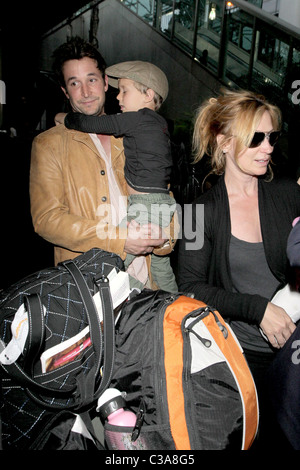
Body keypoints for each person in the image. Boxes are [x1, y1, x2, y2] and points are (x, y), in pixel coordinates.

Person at [177, 88, 300, 449]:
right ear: (224, 142)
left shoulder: (287, 195)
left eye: (272, 137)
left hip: (292, 354)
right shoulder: (198, 212)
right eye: (256, 138)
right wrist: (258, 310)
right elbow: (190, 287)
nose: (268, 147)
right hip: (239, 360)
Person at [30, 36, 176, 290]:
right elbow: (48, 219)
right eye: (74, 83)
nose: (85, 92)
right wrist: (119, 240)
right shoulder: (49, 144)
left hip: (151, 287)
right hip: (93, 289)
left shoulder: (135, 133)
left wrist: (162, 239)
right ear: (65, 91)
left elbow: (164, 195)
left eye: (92, 79)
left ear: (106, 83)